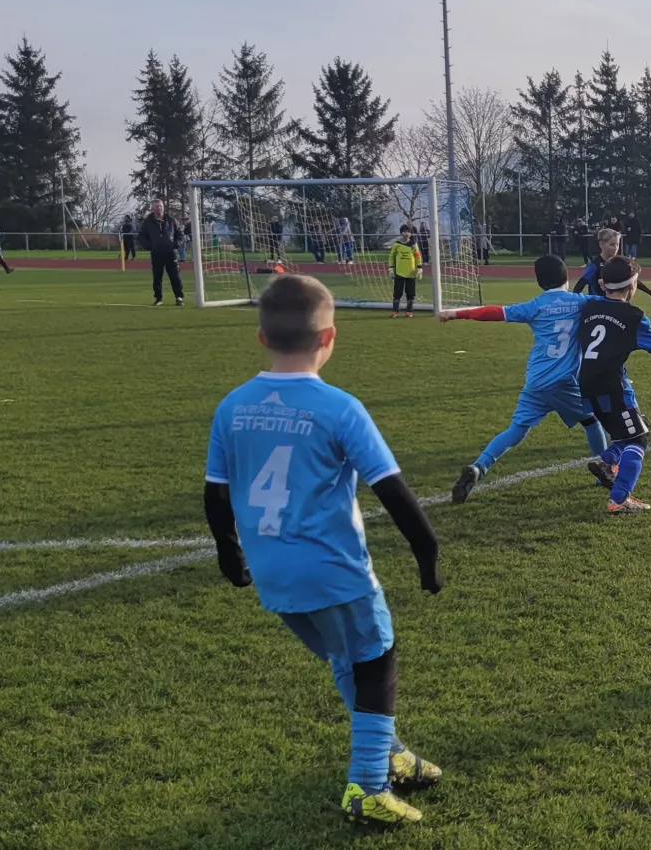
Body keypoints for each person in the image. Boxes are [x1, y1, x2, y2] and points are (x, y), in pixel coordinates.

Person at [202, 274, 445, 826]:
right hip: (334, 567)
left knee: (347, 658)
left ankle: (390, 754)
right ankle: (367, 786)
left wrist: (228, 553)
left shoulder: (232, 406)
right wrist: (427, 554)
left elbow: (215, 493)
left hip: (272, 571)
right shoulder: (339, 407)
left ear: (261, 337)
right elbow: (392, 490)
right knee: (377, 658)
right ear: (329, 337)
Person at [439, 255, 617, 502]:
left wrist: (458, 313)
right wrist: (612, 287)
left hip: (535, 381)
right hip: (563, 382)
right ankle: (604, 470)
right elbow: (614, 303)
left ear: (540, 283)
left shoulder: (535, 306)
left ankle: (479, 466)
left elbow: (495, 312)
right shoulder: (581, 302)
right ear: (567, 277)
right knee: (591, 420)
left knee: (516, 429)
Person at [579, 255, 651, 514]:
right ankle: (619, 498)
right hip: (612, 386)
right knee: (638, 439)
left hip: (586, 385)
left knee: (635, 428)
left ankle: (606, 462)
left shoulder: (589, 307)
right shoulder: (633, 316)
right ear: (632, 286)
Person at [574, 229, 651, 300]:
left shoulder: (618, 262)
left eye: (617, 244)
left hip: (614, 303)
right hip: (598, 304)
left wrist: (649, 292)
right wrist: (572, 300)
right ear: (601, 244)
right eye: (612, 244)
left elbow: (630, 278)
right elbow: (581, 283)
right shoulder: (595, 265)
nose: (616, 248)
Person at [137, 200, 186, 306]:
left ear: (163, 207)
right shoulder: (148, 222)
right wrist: (149, 246)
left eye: (160, 206)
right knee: (157, 277)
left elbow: (180, 234)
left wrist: (175, 244)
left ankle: (179, 297)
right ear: (152, 208)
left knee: (175, 276)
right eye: (156, 206)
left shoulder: (171, 220)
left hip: (170, 253)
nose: (159, 208)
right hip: (156, 253)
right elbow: (141, 236)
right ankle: (158, 298)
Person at [388, 226, 421, 317]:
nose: (406, 233)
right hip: (399, 272)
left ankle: (409, 311)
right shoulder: (396, 244)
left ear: (410, 233)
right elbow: (391, 256)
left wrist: (419, 268)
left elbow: (418, 256)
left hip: (411, 273)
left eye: (408, 232)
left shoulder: (413, 244)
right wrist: (391, 268)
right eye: (404, 231)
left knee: (410, 293)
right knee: (397, 293)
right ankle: (395, 311)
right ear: (401, 233)